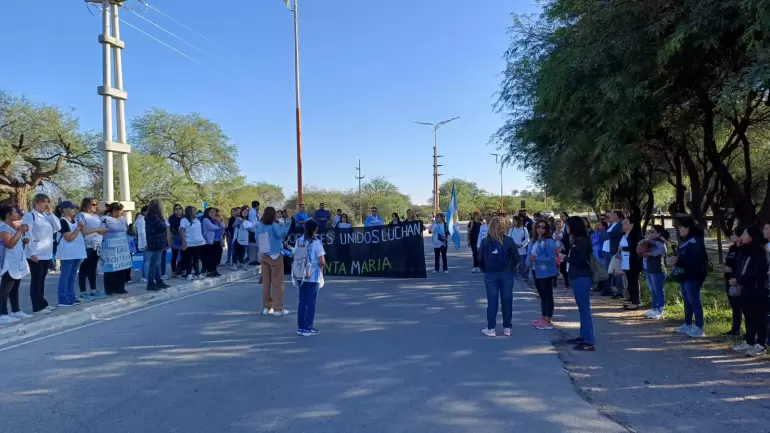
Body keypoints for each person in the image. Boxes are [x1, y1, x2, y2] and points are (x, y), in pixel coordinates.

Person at [729, 225, 769, 356]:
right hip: (746, 289)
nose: (742, 236)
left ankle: (761, 344)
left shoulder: (760, 251)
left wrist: (739, 280)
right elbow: (739, 267)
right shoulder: (744, 250)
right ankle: (749, 341)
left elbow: (753, 271)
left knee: (760, 317)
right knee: (748, 315)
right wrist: (735, 277)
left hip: (758, 289)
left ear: (752, 236)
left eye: (745, 234)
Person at [477, 217, 518, 337]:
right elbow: (516, 258)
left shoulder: (485, 241)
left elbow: (479, 258)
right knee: (507, 300)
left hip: (491, 274)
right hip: (506, 274)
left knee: (492, 301)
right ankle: (507, 328)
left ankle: (491, 328)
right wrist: (510, 267)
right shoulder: (509, 240)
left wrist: (485, 269)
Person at [670, 215, 709, 338]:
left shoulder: (695, 240)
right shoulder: (684, 239)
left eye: (681, 227)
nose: (679, 229)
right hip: (684, 273)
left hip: (694, 274)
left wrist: (678, 260)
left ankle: (699, 327)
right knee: (686, 298)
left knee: (694, 299)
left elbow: (697, 259)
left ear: (689, 227)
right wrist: (675, 259)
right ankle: (687, 323)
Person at [21, 193, 61, 314]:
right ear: (37, 202)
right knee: (36, 280)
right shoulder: (30, 216)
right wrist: (31, 252)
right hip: (36, 252)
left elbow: (58, 227)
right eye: (44, 202)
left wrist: (51, 213)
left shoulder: (46, 216)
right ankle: (37, 306)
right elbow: (27, 234)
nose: (46, 204)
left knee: (42, 279)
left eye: (48, 202)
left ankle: (42, 303)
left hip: (46, 253)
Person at [565, 216, 596, 351]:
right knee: (582, 309)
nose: (566, 228)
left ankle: (589, 341)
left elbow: (582, 261)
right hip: (577, 276)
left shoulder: (582, 241)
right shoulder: (577, 240)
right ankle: (583, 336)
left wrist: (567, 258)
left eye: (567, 225)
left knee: (585, 310)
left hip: (582, 277)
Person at [256, 207, 292, 316]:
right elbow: (282, 233)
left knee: (266, 283)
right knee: (277, 283)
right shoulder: (274, 225)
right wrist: (288, 221)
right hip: (275, 254)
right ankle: (278, 309)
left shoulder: (260, 225)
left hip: (264, 255)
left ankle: (266, 307)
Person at [0, 206, 32, 323]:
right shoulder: (3, 227)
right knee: (5, 289)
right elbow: (9, 244)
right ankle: (2, 313)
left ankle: (16, 310)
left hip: (16, 262)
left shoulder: (10, 227)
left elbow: (15, 241)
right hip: (8, 263)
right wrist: (19, 231)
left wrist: (21, 238)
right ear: (8, 215)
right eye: (14, 212)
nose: (17, 214)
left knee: (15, 287)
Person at [293, 220, 326, 336]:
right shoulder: (316, 242)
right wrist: (321, 270)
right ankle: (308, 327)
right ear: (314, 229)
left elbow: (295, 254)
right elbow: (322, 260)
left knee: (302, 301)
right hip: (313, 275)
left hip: (301, 274)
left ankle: (300, 327)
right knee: (311, 302)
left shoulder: (299, 240)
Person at [55, 201, 87, 307]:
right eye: (71, 208)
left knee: (73, 276)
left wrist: (81, 227)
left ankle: (71, 296)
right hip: (68, 252)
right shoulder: (62, 221)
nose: (74, 210)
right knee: (65, 276)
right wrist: (78, 228)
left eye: (74, 208)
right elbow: (68, 238)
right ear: (63, 210)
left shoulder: (75, 220)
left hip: (77, 252)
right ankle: (63, 299)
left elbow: (84, 233)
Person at [76, 198, 108, 301]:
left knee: (93, 268)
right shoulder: (81, 215)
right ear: (86, 205)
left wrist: (102, 231)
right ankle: (83, 291)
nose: (95, 206)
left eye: (96, 204)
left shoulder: (96, 216)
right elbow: (84, 231)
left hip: (97, 244)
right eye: (93, 204)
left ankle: (93, 289)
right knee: (84, 269)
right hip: (87, 245)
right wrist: (98, 229)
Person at [530, 221, 558, 330]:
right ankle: (543, 317)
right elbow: (530, 255)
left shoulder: (549, 242)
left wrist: (537, 259)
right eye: (538, 227)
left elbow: (551, 259)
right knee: (541, 295)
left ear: (547, 229)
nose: (540, 229)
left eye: (543, 227)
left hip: (546, 272)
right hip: (535, 270)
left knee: (547, 295)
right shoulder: (534, 241)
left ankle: (548, 319)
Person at [641, 225, 669, 320]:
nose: (650, 233)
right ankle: (654, 308)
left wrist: (651, 253)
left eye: (652, 231)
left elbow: (663, 250)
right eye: (650, 231)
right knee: (652, 290)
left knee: (658, 290)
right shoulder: (650, 242)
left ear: (659, 233)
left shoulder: (660, 242)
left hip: (658, 270)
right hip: (649, 269)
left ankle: (660, 309)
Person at [101, 202, 129, 295]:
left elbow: (126, 229)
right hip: (110, 247)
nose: (120, 212)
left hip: (121, 247)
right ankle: (109, 289)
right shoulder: (105, 219)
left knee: (121, 267)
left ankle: (120, 288)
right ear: (113, 210)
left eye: (121, 211)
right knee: (110, 268)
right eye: (118, 210)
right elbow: (102, 232)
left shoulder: (122, 219)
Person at [144, 199, 171, 291]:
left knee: (157, 263)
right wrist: (164, 224)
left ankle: (158, 280)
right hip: (156, 242)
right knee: (154, 263)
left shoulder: (152, 216)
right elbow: (161, 227)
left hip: (156, 241)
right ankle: (151, 282)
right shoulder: (153, 216)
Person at [619, 216, 642, 310]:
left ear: (632, 224)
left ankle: (635, 302)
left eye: (626, 222)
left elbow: (634, 247)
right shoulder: (624, 234)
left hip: (633, 261)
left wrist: (623, 248)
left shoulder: (635, 234)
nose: (623, 224)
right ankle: (631, 299)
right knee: (629, 281)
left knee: (633, 281)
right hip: (625, 260)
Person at [603, 211, 625, 297]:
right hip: (608, 250)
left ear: (617, 216)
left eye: (612, 215)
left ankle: (620, 290)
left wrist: (606, 234)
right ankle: (609, 289)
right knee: (610, 270)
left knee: (616, 270)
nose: (610, 216)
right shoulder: (612, 224)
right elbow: (605, 235)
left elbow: (611, 234)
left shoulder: (619, 224)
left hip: (615, 249)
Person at [180, 206, 205, 281]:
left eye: (195, 210)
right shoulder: (184, 220)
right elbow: (182, 230)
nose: (195, 212)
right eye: (193, 210)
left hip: (198, 242)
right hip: (189, 242)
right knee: (188, 259)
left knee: (196, 259)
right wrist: (184, 241)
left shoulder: (197, 220)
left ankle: (197, 273)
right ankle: (189, 274)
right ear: (189, 211)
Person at [201, 207, 225, 278]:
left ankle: (214, 270)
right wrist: (220, 227)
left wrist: (219, 221)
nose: (213, 213)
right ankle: (209, 271)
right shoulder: (206, 220)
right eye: (211, 212)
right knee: (209, 257)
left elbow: (224, 226)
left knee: (215, 257)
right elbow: (211, 227)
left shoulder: (216, 219)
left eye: (214, 212)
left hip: (217, 240)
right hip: (209, 241)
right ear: (207, 213)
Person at [231, 206, 252, 271]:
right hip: (237, 238)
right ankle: (234, 264)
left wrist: (244, 222)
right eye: (244, 211)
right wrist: (238, 222)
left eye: (247, 212)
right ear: (241, 212)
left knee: (242, 252)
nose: (245, 213)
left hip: (245, 238)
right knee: (235, 251)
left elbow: (250, 229)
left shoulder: (249, 221)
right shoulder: (238, 218)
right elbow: (233, 226)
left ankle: (241, 262)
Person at [167, 204, 184, 277]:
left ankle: (181, 269)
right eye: (176, 209)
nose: (178, 211)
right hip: (175, 238)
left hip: (183, 238)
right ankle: (174, 270)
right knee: (175, 254)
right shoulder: (171, 218)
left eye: (179, 209)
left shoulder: (184, 218)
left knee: (183, 254)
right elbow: (169, 230)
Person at [134, 205, 148, 283]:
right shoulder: (142, 220)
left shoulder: (140, 219)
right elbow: (142, 233)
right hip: (145, 243)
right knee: (146, 261)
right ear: (144, 212)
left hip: (144, 242)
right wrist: (146, 243)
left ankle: (145, 276)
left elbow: (134, 226)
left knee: (146, 260)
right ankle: (145, 277)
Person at [247, 201, 261, 266]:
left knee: (255, 246)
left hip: (255, 230)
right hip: (253, 231)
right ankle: (252, 260)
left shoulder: (253, 212)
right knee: (252, 246)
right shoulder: (252, 212)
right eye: (258, 206)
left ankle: (255, 259)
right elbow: (253, 223)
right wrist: (254, 230)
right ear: (257, 206)